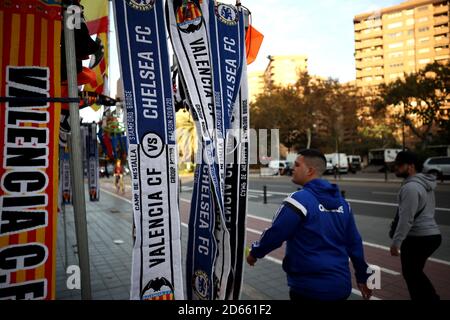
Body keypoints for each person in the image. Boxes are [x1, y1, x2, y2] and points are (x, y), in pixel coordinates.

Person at [246, 149, 372, 301]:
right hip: (340, 286)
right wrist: (362, 277)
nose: (292, 168)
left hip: (308, 289)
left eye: (297, 165)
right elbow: (355, 244)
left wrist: (255, 253)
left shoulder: (299, 200)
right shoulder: (344, 205)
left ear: (310, 170)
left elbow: (276, 233)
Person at [391, 151, 441, 300]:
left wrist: (396, 243)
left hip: (418, 237)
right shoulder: (424, 184)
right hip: (431, 235)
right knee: (414, 272)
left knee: (412, 274)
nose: (396, 168)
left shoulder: (410, 187)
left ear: (411, 166)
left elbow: (406, 219)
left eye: (399, 165)